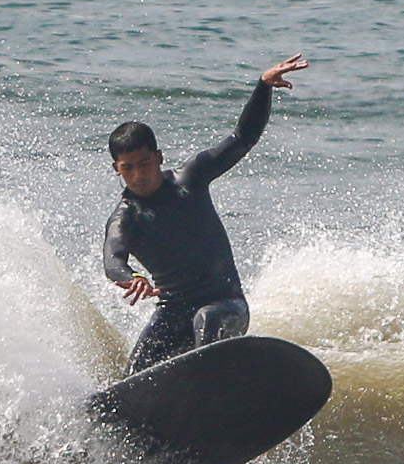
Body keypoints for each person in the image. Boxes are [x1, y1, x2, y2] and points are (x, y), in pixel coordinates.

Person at [102, 56, 309, 375]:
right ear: (117, 169)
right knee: (134, 377)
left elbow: (243, 138)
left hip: (226, 306)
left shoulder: (192, 178)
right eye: (127, 168)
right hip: (173, 314)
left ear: (158, 157)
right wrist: (133, 278)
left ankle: (213, 388)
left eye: (144, 164)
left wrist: (263, 87)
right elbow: (113, 260)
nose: (138, 175)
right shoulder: (125, 218)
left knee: (207, 320)